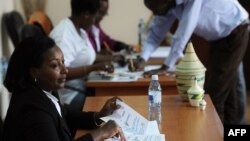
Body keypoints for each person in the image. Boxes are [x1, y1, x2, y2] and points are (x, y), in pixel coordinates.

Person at [131, 0, 249, 125]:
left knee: (214, 95)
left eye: (156, 9)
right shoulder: (166, 6)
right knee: (229, 92)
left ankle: (215, 134)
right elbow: (155, 34)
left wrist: (166, 65)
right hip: (219, 38)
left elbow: (185, 30)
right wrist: (142, 58)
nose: (154, 13)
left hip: (235, 30)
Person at [2, 36, 126, 141]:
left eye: (63, 62)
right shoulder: (32, 110)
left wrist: (99, 116)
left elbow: (64, 115)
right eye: (55, 65)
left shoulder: (44, 90)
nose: (65, 70)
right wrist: (100, 133)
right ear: (34, 72)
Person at [50, 0, 114, 111]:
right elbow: (59, 72)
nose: (94, 22)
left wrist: (113, 58)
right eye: (94, 17)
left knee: (112, 100)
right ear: (86, 14)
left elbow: (88, 56)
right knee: (105, 107)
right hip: (68, 96)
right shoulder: (64, 34)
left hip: (83, 87)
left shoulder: (80, 30)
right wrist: (92, 68)